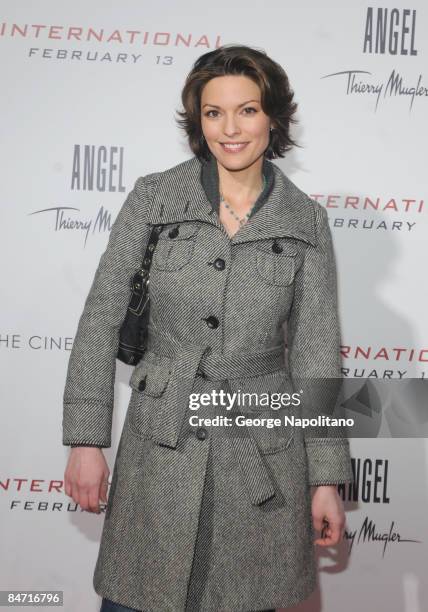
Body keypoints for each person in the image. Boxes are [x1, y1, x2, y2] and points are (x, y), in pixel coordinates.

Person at [63, 44, 354, 612]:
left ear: (274, 116)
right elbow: (99, 318)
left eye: (247, 110)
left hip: (261, 458)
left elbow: (317, 357)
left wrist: (325, 478)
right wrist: (84, 439)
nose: (230, 129)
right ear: (198, 122)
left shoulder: (306, 221)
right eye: (213, 113)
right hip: (160, 447)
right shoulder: (154, 198)